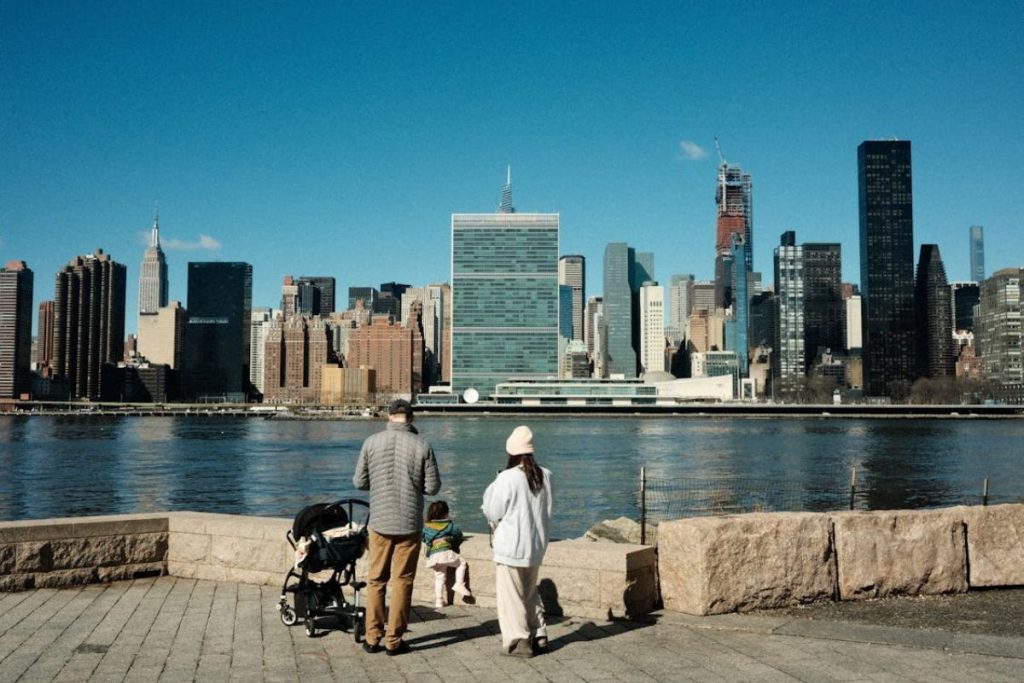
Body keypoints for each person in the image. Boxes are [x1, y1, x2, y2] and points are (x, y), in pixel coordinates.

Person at [353, 398, 440, 655]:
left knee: (376, 580)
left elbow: (359, 481)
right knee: (403, 581)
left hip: (379, 522)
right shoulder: (422, 445)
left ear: (389, 417)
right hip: (409, 524)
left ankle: (372, 637)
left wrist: (378, 486)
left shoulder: (371, 442)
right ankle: (394, 640)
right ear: (411, 418)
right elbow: (433, 488)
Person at [481, 425, 553, 658]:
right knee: (530, 591)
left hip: (511, 546)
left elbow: (493, 511)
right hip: (536, 544)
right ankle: (539, 632)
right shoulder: (546, 475)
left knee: (511, 596)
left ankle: (519, 641)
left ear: (511, 451)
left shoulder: (507, 478)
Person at [422, 500, 473, 608]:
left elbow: (423, 538)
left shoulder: (426, 526)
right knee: (461, 563)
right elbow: (458, 534)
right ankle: (459, 583)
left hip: (433, 555)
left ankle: (439, 600)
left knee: (439, 577)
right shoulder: (448, 525)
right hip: (445, 553)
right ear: (446, 513)